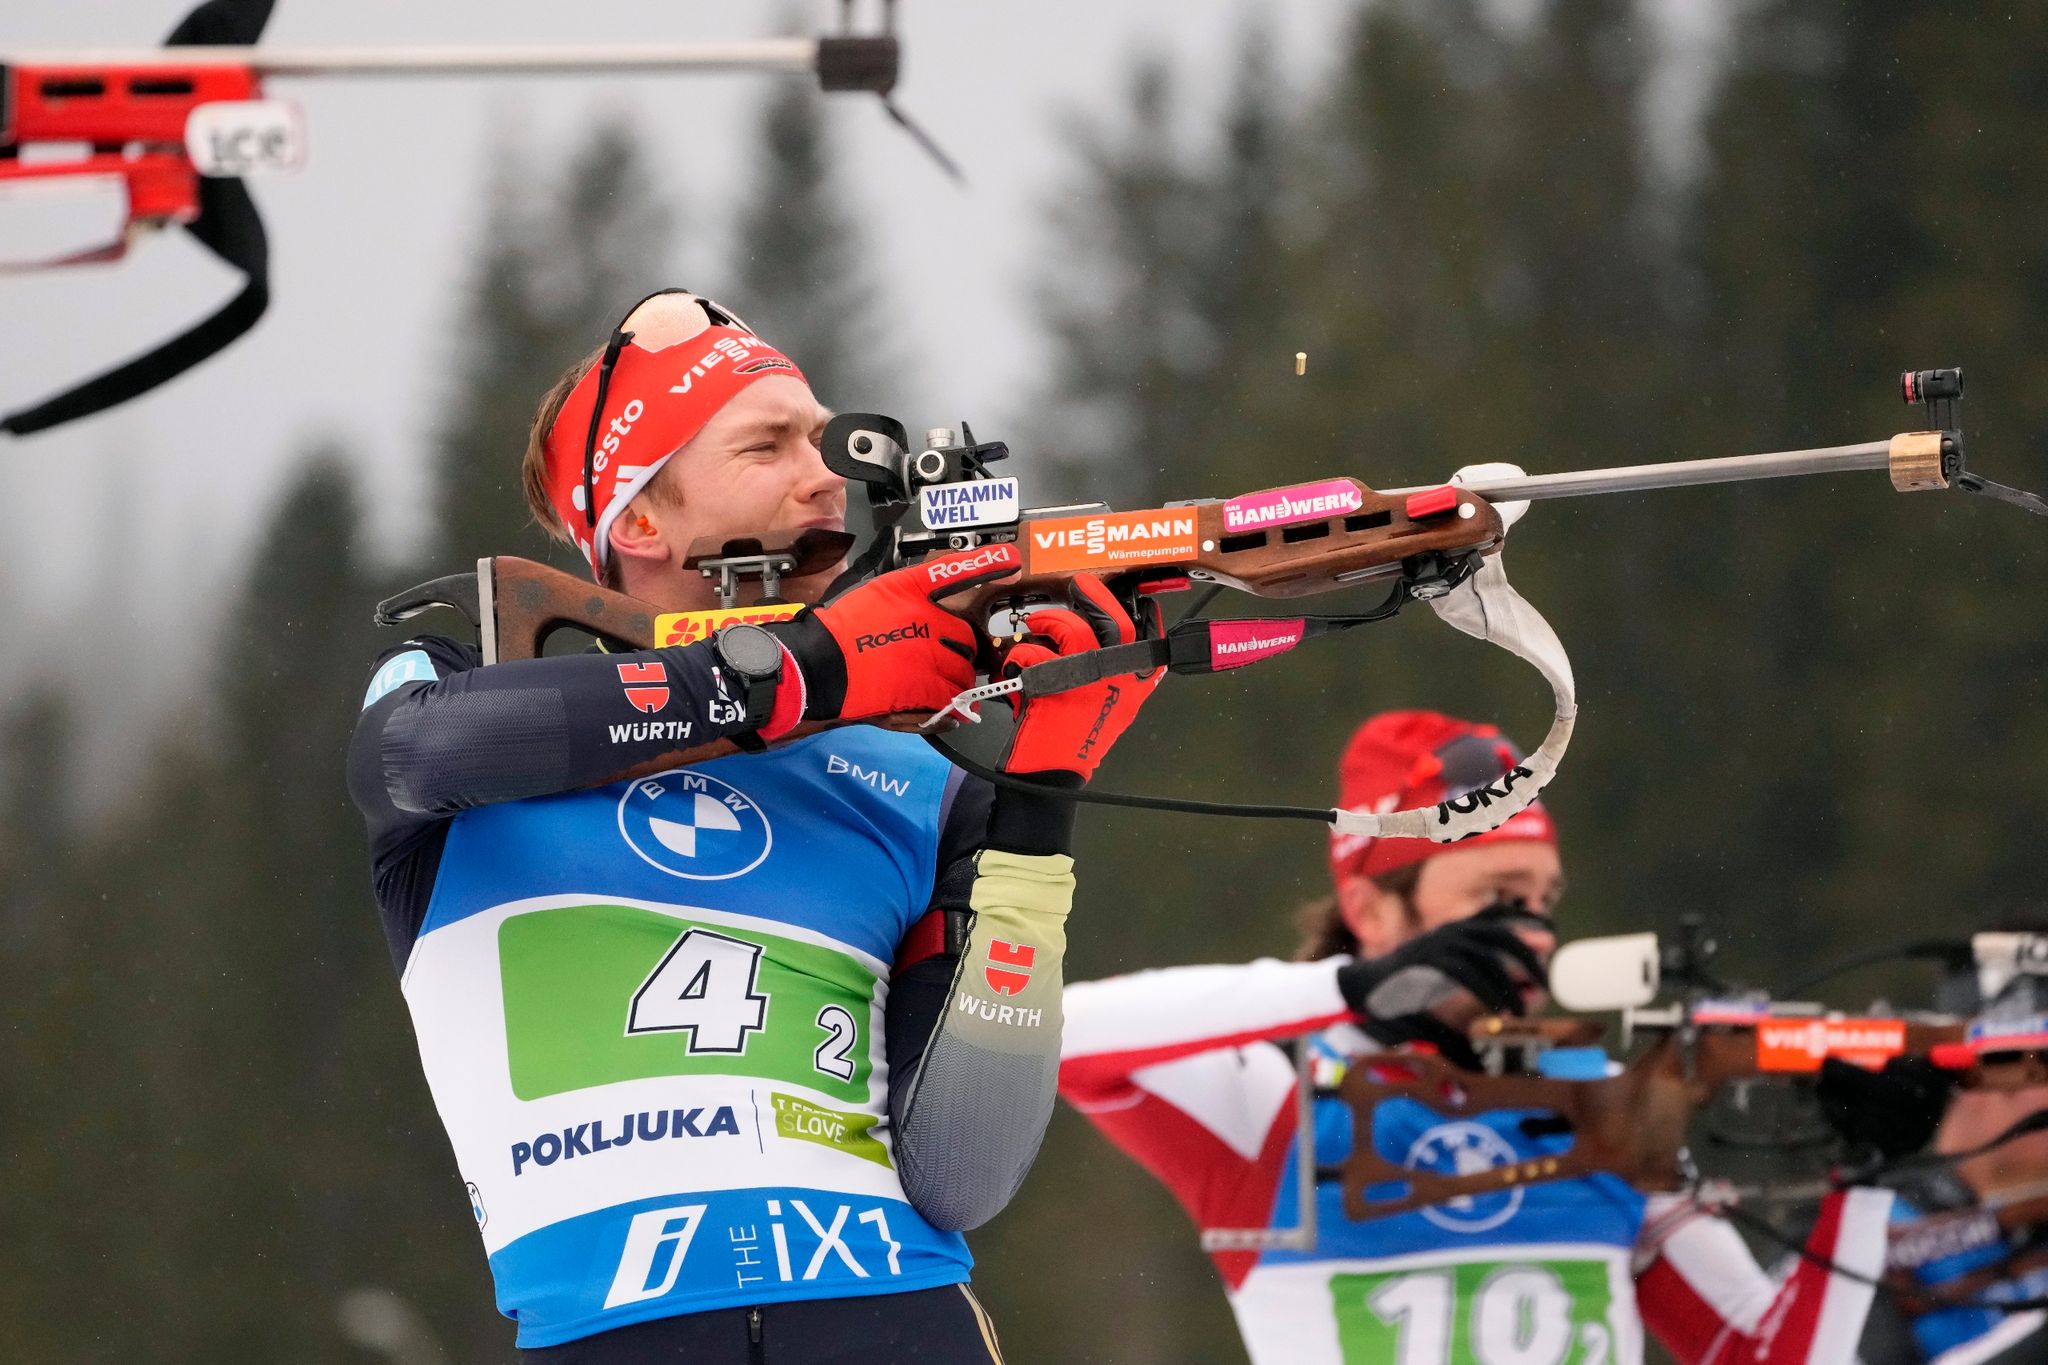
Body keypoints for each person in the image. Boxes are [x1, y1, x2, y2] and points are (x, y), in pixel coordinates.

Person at [348, 290, 1160, 1362]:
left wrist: (1042, 798)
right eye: (767, 443)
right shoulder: (462, 693)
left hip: (895, 1318)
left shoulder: (919, 779)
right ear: (637, 518)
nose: (824, 470)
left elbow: (961, 1173)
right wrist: (788, 678)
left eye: (824, 440)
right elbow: (415, 753)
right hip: (612, 1330)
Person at [1058, 708, 1892, 1365]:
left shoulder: (1598, 1100)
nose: (1530, 933)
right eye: (1494, 897)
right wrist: (1347, 990)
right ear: (1373, 910)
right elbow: (1058, 1037)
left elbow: (1761, 1351)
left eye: (1541, 901)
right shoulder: (1273, 1100)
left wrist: (1864, 1176)